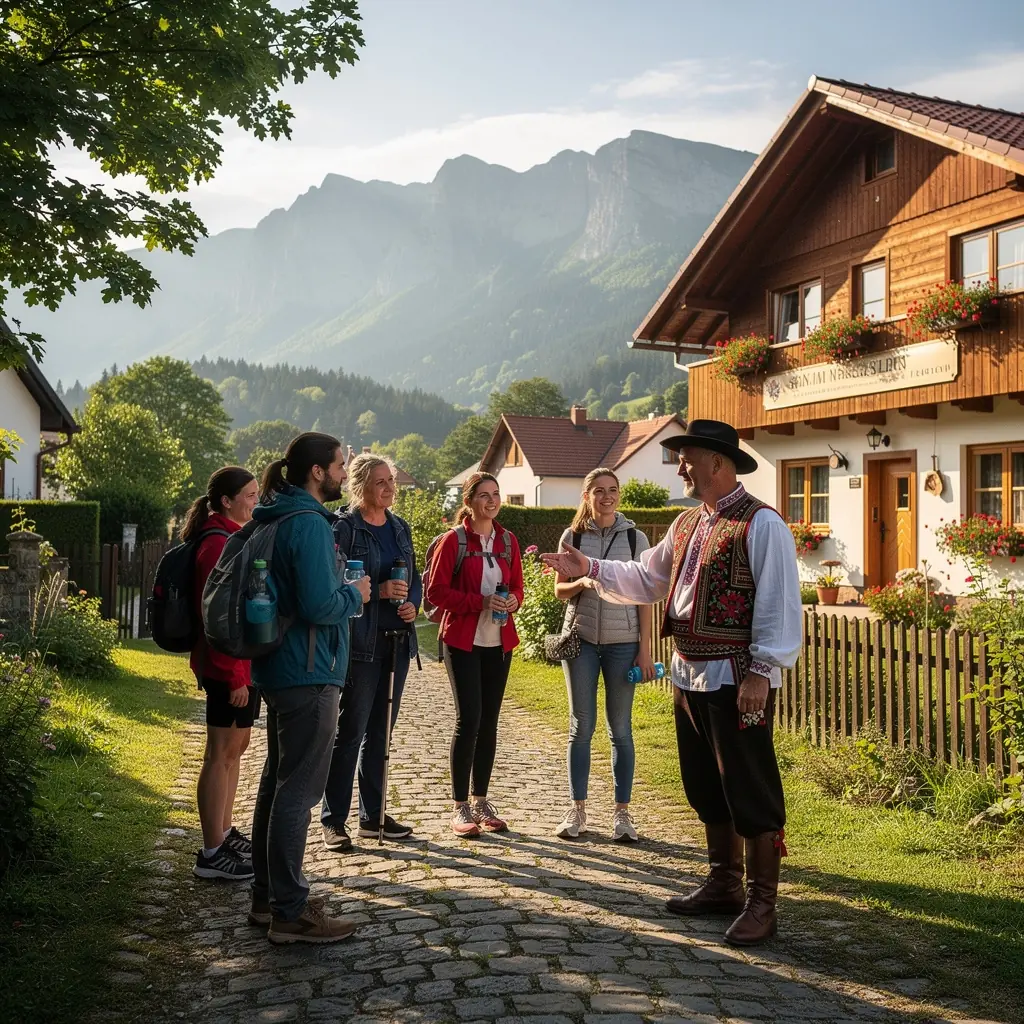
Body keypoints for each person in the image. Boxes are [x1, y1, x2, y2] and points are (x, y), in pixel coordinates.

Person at [541, 420, 801, 946]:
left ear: (716, 463)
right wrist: (589, 566)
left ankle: (762, 903)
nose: (680, 467)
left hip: (737, 677)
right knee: (705, 783)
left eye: (687, 457)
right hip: (689, 672)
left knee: (749, 785)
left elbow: (778, 603)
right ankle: (724, 883)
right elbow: (645, 578)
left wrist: (762, 671)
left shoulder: (761, 524)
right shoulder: (685, 525)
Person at [248, 432, 371, 945]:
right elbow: (321, 605)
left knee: (277, 784)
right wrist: (356, 594)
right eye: (340, 466)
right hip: (311, 669)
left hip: (280, 667)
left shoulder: (272, 517)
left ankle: (267, 899)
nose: (344, 473)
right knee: (298, 791)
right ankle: (290, 914)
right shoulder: (310, 524)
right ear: (317, 472)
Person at [321, 454, 421, 850]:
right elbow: (334, 581)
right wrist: (376, 592)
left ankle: (373, 815)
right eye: (380, 482)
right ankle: (333, 820)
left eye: (391, 481)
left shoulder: (400, 527)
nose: (389, 488)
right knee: (351, 732)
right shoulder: (344, 528)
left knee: (381, 733)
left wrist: (413, 604)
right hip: (361, 644)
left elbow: (414, 579)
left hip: (397, 643)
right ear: (360, 485)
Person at [553, 468, 654, 843]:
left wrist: (644, 650)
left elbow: (645, 596)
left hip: (623, 644)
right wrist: (581, 581)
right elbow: (559, 590)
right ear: (587, 496)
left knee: (621, 729)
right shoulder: (573, 537)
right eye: (599, 490)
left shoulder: (635, 538)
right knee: (581, 727)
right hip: (579, 641)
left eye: (613, 490)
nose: (607, 496)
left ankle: (622, 815)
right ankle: (577, 811)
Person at [426, 472, 524, 838]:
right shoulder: (453, 540)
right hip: (462, 641)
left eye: (496, 494)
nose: (492, 500)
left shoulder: (508, 540)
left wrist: (514, 601)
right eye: (484, 495)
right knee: (469, 720)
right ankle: (460, 806)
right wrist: (479, 602)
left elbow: (518, 586)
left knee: (490, 722)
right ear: (468, 501)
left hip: (499, 641)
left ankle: (481, 801)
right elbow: (436, 592)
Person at [186, 467, 261, 881]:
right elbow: (217, 616)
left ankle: (225, 832)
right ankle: (211, 852)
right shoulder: (217, 544)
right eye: (249, 495)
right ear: (226, 501)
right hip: (226, 666)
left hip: (240, 664)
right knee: (220, 754)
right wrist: (233, 675)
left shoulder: (232, 537)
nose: (255, 501)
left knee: (236, 748)